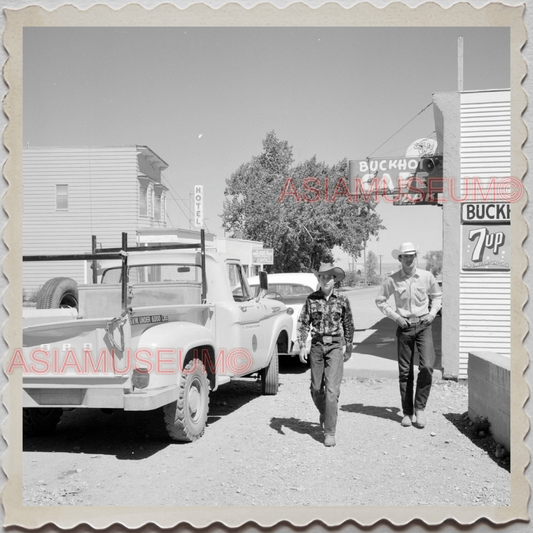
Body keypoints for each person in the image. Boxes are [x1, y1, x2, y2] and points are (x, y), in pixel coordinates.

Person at [375, 242, 442, 429]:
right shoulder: (392, 280)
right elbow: (380, 301)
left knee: (427, 366)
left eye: (412, 255)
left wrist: (431, 314)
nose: (409, 258)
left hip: (423, 325)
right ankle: (407, 412)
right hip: (404, 327)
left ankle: (420, 409)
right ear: (400, 259)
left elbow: (437, 296)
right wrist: (396, 317)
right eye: (406, 255)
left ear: (415, 256)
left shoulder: (426, 277)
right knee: (405, 372)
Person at [297, 263, 354, 447]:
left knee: (331, 390)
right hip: (317, 346)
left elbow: (348, 323)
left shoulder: (343, 300)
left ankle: (329, 432)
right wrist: (302, 345)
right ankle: (326, 411)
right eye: (322, 276)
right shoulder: (311, 299)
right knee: (315, 388)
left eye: (329, 276)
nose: (326, 280)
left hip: (336, 346)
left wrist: (349, 346)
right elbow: (303, 322)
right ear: (318, 279)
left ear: (334, 279)